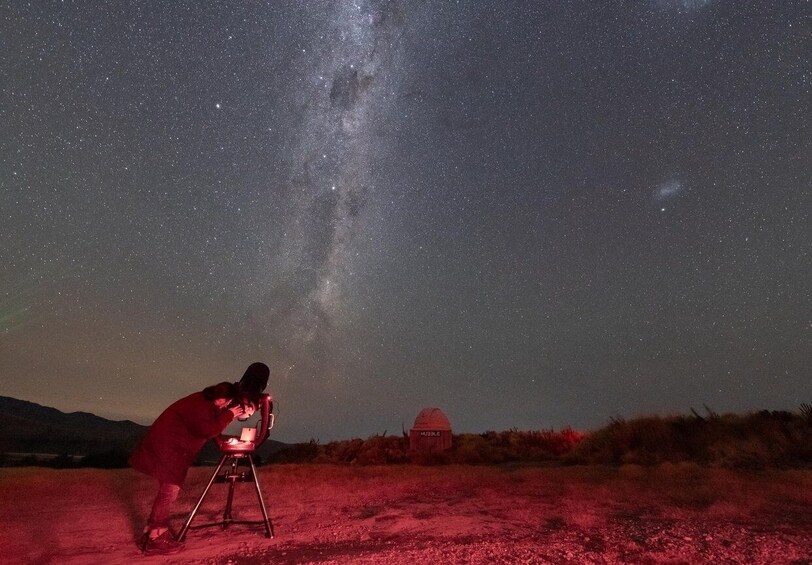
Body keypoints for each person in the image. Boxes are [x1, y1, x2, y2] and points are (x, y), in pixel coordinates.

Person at [129, 380, 251, 555]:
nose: (227, 405)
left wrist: (228, 413)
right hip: (168, 448)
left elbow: (212, 419)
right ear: (223, 398)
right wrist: (230, 414)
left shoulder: (202, 400)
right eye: (227, 402)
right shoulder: (201, 406)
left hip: (168, 446)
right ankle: (156, 537)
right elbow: (207, 429)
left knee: (169, 489)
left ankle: (150, 532)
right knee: (169, 490)